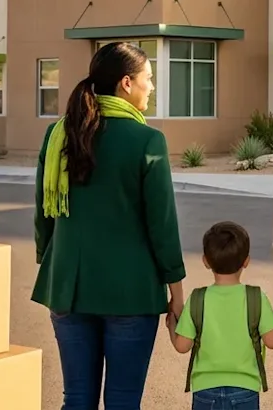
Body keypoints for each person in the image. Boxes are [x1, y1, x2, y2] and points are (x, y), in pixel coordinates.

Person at [33, 42, 186, 410]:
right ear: (127, 83)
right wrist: (177, 291)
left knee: (77, 399)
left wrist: (50, 258)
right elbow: (161, 224)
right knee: (122, 401)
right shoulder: (147, 141)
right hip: (130, 293)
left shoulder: (59, 135)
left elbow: (44, 212)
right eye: (148, 79)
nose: (152, 86)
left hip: (68, 286)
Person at [167, 221, 273, 410]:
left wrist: (171, 324)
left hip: (205, 389)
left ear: (205, 261)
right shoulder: (255, 297)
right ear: (246, 261)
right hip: (245, 389)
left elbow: (181, 345)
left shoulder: (198, 298)